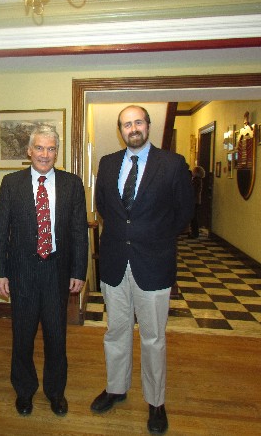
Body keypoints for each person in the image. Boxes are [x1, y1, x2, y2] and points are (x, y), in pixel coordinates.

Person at [90, 105, 194, 434]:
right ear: (120, 130)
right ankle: (116, 388)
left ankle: (156, 401)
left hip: (154, 261)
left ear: (148, 126)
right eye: (126, 124)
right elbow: (106, 208)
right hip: (115, 263)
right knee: (116, 332)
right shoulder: (107, 164)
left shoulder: (172, 164)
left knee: (153, 338)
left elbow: (184, 212)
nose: (132, 128)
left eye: (137, 122)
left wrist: (156, 236)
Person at [0, 124, 88, 417]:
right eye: (40, 148)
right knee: (22, 336)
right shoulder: (11, 183)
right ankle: (24, 391)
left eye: (51, 148)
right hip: (22, 274)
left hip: (57, 272)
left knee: (56, 337)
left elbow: (78, 232)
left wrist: (79, 271)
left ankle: (56, 392)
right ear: (29, 151)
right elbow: (0, 233)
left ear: (57, 152)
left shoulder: (72, 184)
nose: (45, 154)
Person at [189, 165, 205, 238]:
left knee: (193, 218)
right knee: (193, 217)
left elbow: (193, 190)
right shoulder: (198, 180)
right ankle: (194, 232)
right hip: (196, 200)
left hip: (194, 201)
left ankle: (195, 233)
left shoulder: (196, 180)